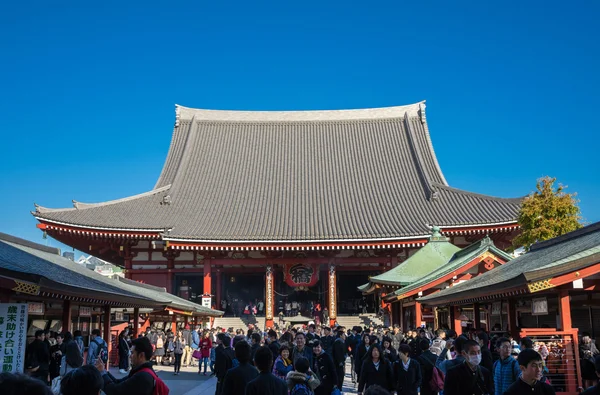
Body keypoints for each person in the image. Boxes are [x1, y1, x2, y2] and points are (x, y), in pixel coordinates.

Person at [96, 336, 164, 395]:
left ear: (141, 355)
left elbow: (115, 391)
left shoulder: (143, 376)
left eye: (132, 353)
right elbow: (117, 382)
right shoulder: (141, 372)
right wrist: (104, 371)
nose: (130, 356)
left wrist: (102, 372)